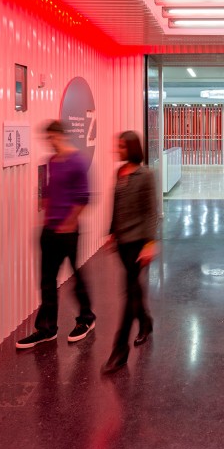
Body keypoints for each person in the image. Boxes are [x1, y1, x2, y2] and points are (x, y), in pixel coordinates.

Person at [16, 120, 96, 349]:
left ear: (60, 136)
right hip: (49, 230)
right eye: (47, 139)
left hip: (67, 231)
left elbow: (83, 197)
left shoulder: (77, 161)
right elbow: (50, 191)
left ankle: (86, 318)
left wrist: (68, 223)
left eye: (51, 138)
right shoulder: (52, 161)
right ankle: (47, 329)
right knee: (47, 281)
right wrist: (46, 214)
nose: (49, 142)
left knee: (77, 277)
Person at [101, 131, 159, 374]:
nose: (118, 150)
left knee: (128, 292)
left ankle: (119, 350)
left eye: (122, 146)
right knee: (133, 289)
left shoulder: (145, 175)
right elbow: (117, 205)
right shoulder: (120, 172)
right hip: (123, 241)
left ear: (132, 148)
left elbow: (151, 211)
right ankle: (145, 321)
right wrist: (112, 232)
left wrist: (150, 243)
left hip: (138, 242)